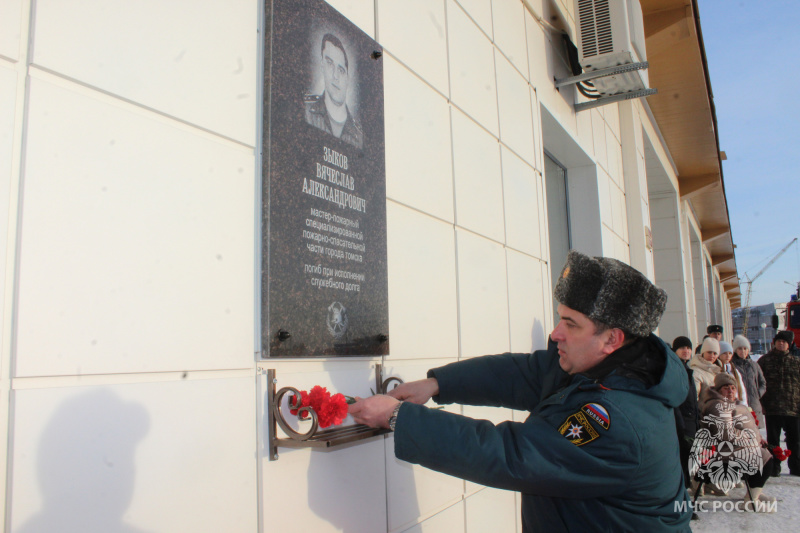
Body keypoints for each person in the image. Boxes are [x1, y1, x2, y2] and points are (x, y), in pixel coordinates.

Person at [350, 251, 691, 531]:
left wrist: (399, 418)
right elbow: (522, 374)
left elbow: (512, 455)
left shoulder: (617, 421)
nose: (556, 333)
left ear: (612, 339)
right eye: (560, 318)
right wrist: (438, 383)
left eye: (571, 324)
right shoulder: (608, 365)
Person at [695, 373, 775, 511]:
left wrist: (758, 439)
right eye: (726, 388)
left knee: (763, 452)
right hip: (721, 450)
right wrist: (752, 440)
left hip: (735, 447)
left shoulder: (733, 404)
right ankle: (751, 501)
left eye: (733, 388)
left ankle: (755, 491)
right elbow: (726, 433)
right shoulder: (717, 405)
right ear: (718, 390)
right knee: (765, 458)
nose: (730, 391)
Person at [304, 33, 363, 149]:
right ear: (322, 66)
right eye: (330, 64)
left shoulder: (359, 137)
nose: (335, 75)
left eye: (341, 70)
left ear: (348, 78)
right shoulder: (306, 112)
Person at [758, 330, 800, 476]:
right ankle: (773, 468)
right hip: (772, 408)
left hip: (793, 408)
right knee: (773, 441)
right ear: (774, 343)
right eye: (779, 341)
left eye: (784, 341)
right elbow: (758, 382)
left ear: (790, 345)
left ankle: (796, 467)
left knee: (795, 441)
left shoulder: (796, 362)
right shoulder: (764, 360)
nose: (781, 343)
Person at [672, 337, 699, 492]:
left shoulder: (686, 370)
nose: (686, 351)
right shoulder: (676, 370)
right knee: (683, 462)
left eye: (688, 348)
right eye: (682, 348)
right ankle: (683, 503)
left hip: (690, 422)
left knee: (688, 461)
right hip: (681, 423)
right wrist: (680, 424)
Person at [731, 334, 767, 429]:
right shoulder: (732, 366)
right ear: (735, 350)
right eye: (739, 348)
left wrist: (758, 394)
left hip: (754, 406)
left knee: (755, 436)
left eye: (745, 348)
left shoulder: (754, 365)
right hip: (739, 406)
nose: (743, 351)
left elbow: (762, 383)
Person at [716, 341, 747, 405]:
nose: (728, 356)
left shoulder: (735, 371)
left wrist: (744, 405)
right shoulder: (716, 370)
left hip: (737, 404)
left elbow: (742, 390)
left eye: (730, 353)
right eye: (724, 353)